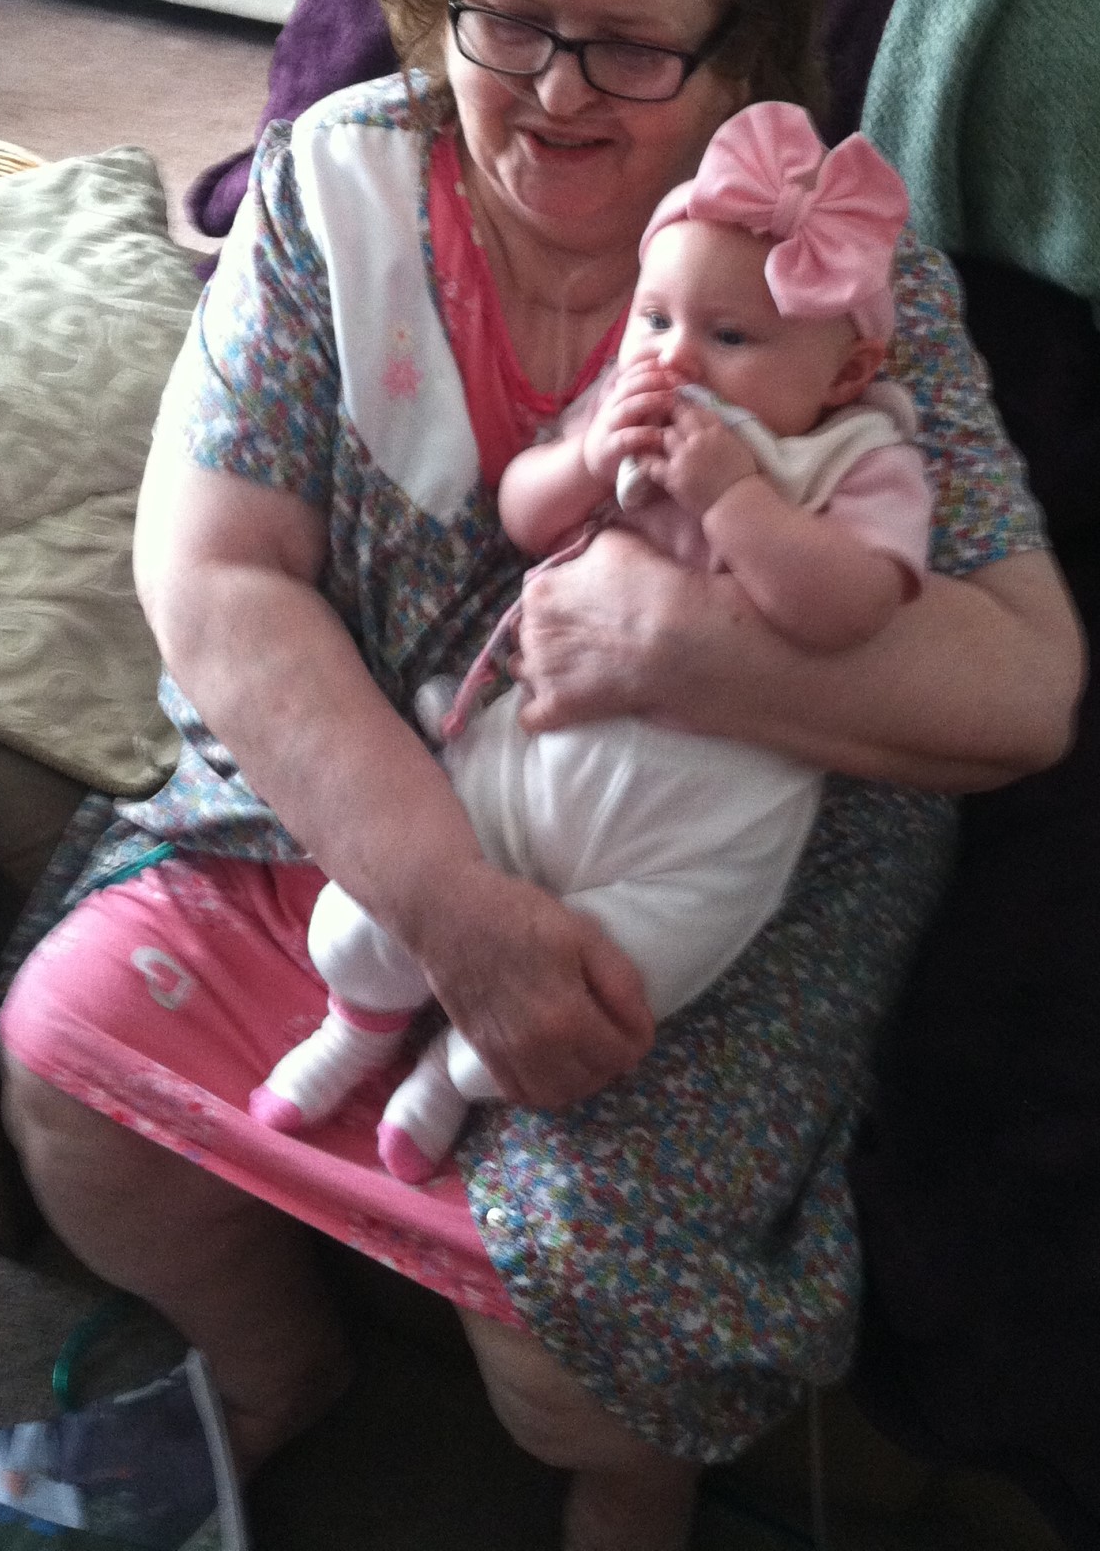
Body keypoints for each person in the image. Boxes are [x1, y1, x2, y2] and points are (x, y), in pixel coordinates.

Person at [0, 0, 1084, 1551]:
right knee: (67, 1071)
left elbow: (1024, 686)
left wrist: (688, 652)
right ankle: (272, 1373)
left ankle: (626, 1496)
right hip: (372, 779)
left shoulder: (821, 281)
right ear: (444, 1)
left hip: (703, 850)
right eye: (510, 21)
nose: (557, 92)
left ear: (738, 58)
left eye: (632, 46)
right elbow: (213, 573)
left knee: (579, 1315)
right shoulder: (335, 187)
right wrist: (451, 908)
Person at [248, 99, 932, 1183]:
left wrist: (735, 499)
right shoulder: (624, 402)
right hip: (525, 765)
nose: (675, 359)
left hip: (697, 836)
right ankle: (358, 1026)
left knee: (611, 993)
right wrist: (581, 459)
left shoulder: (856, 461)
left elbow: (847, 611)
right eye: (654, 320)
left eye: (730, 337)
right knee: (371, 915)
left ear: (844, 376)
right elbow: (525, 514)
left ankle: (451, 1077)